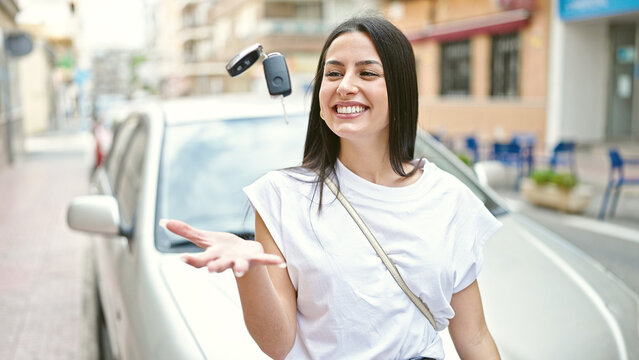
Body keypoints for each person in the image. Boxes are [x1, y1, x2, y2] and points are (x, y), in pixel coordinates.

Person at [162, 15, 502, 360]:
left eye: (367, 73)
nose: (345, 86)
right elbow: (278, 344)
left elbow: (474, 338)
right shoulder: (281, 196)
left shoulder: (449, 198)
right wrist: (250, 274)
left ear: (401, 89)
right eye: (334, 73)